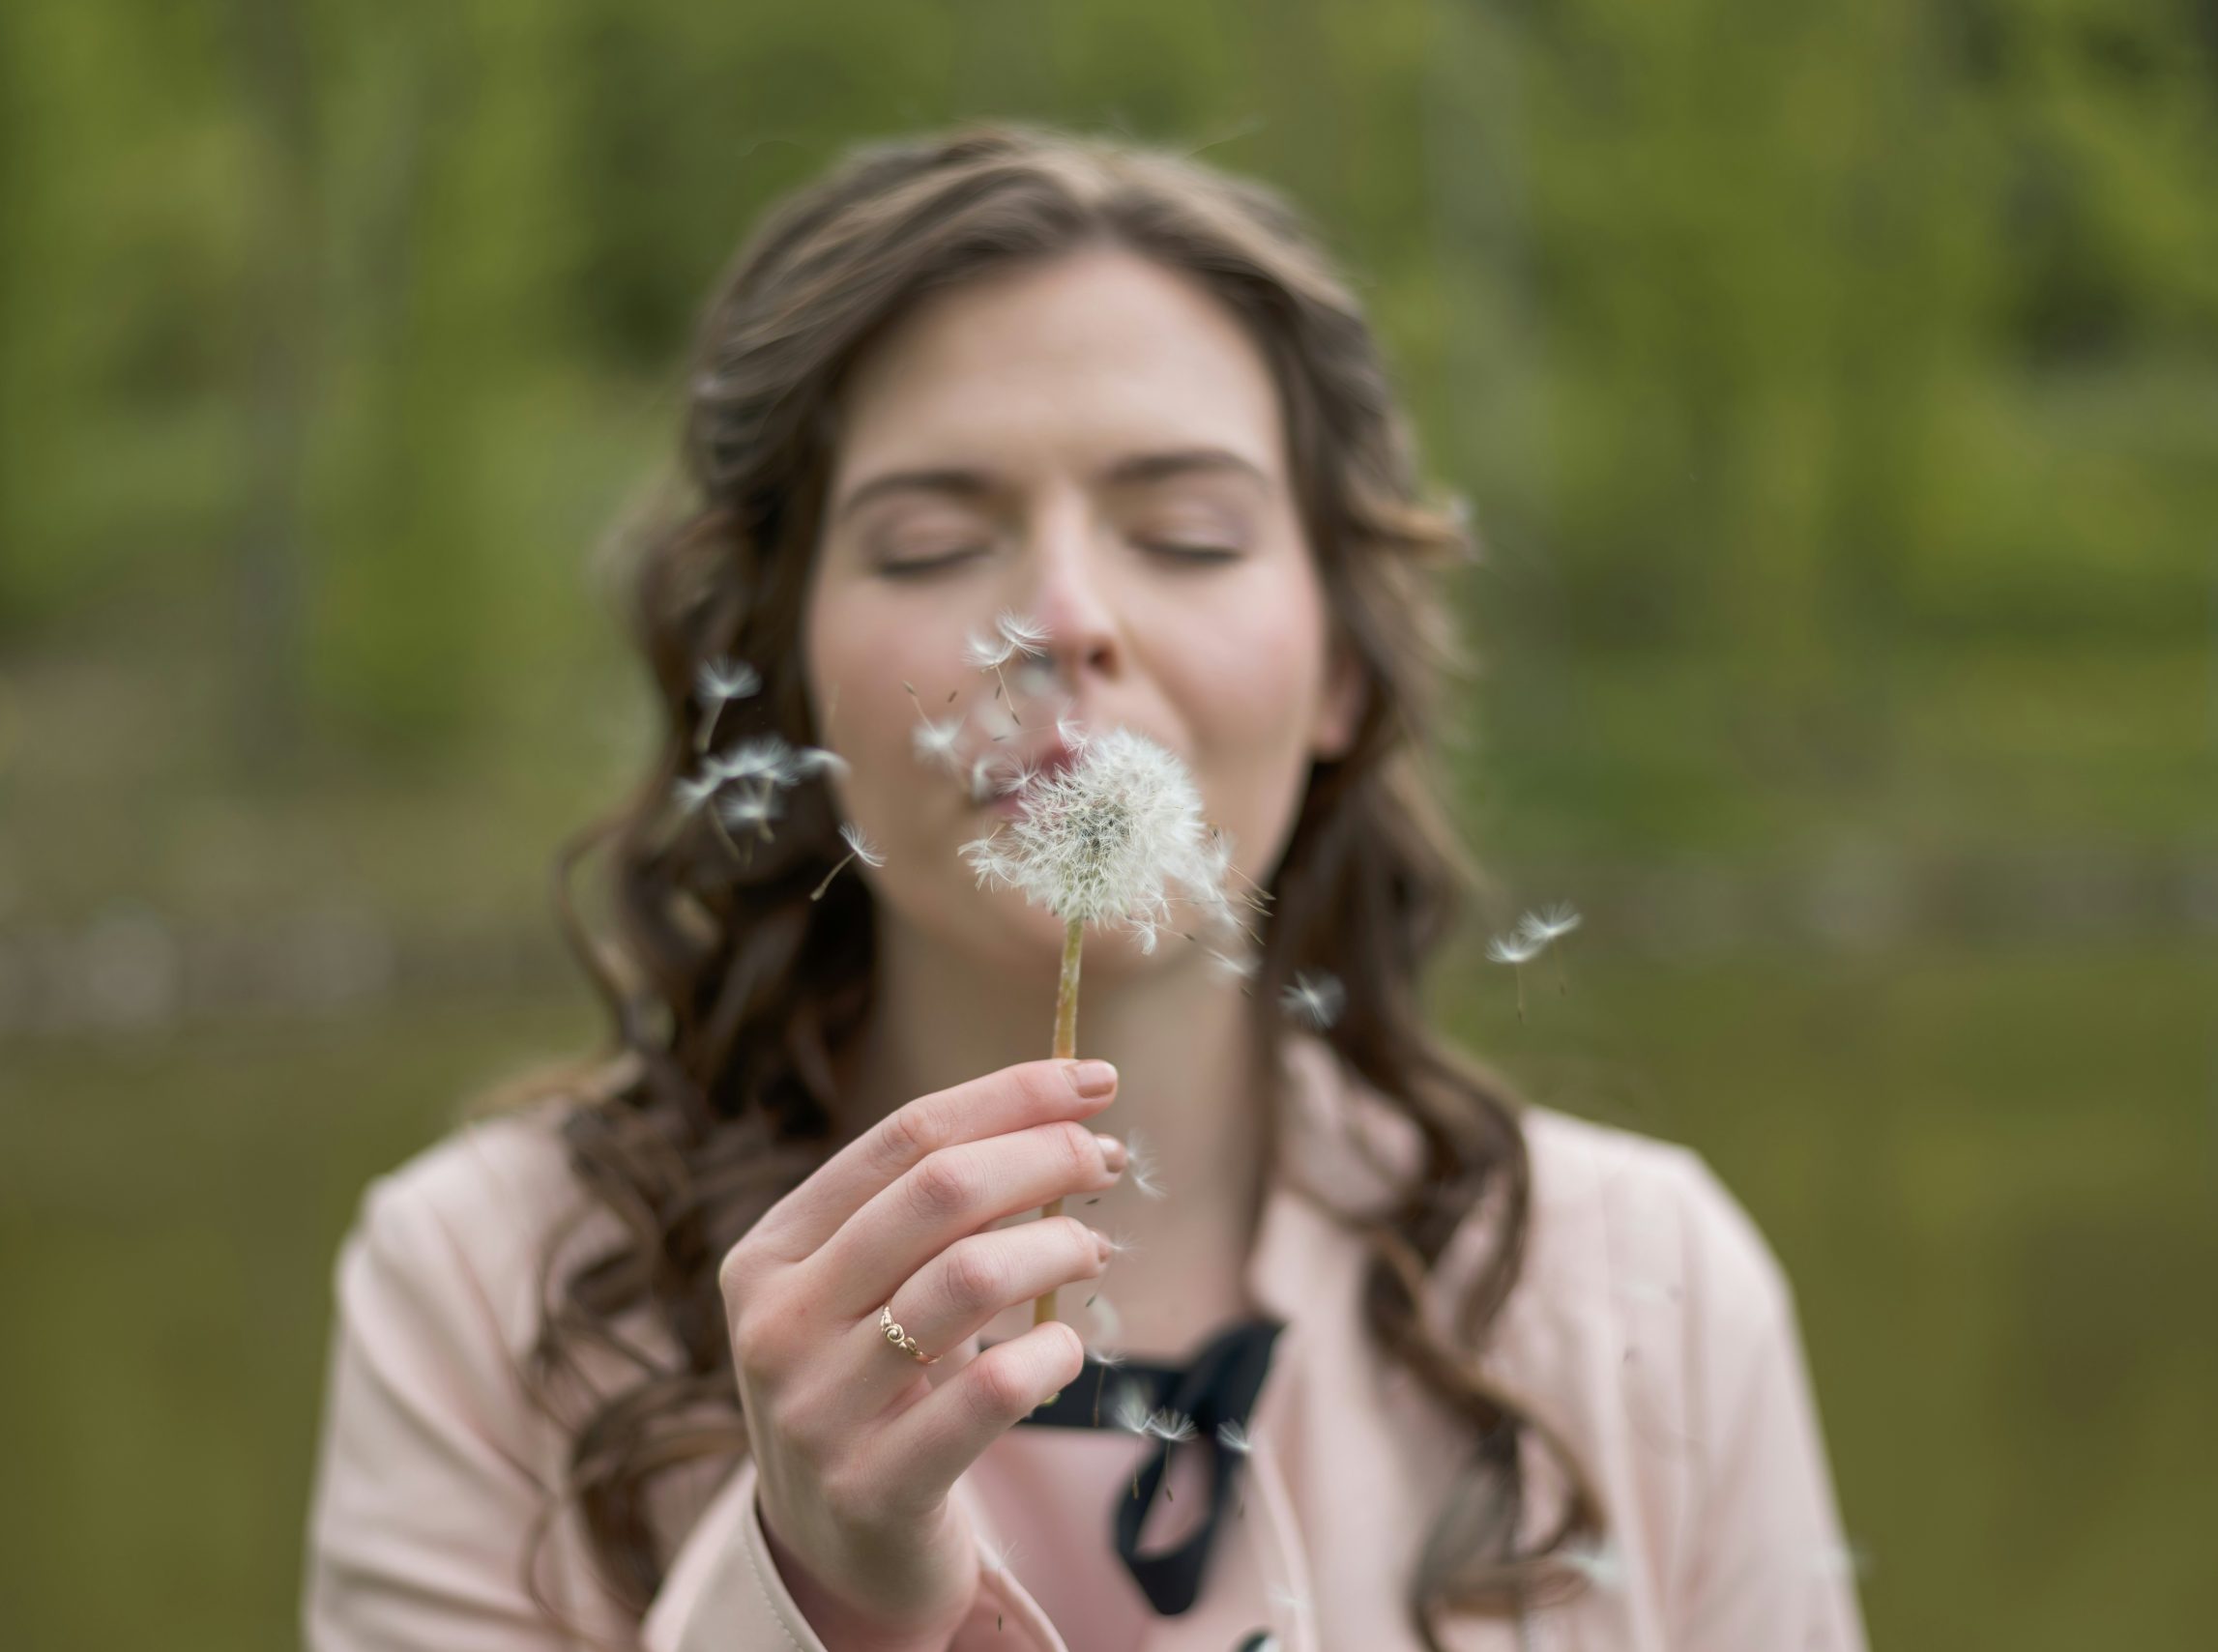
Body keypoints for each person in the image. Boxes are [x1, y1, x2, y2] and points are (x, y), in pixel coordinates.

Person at [300, 121, 1871, 1652]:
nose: (1063, 613)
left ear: (1341, 661)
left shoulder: (1640, 1291)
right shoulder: (488, 1294)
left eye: (1187, 534)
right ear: (782, 674)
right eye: (927, 546)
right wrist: (825, 1600)